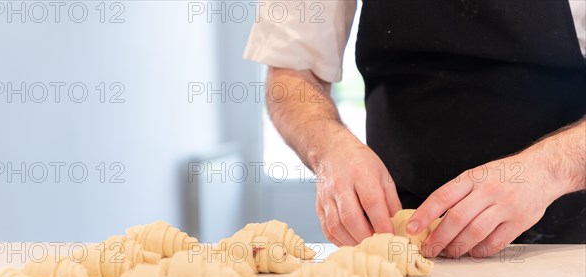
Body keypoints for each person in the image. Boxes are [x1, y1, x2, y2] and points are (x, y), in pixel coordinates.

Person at [244, 0, 586, 257]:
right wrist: (330, 149)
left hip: (571, 241)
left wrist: (549, 170)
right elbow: (292, 77)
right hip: (401, 237)